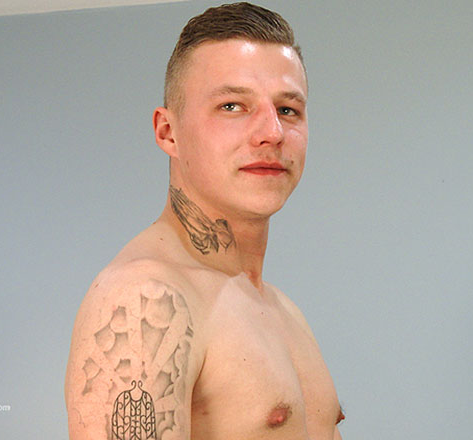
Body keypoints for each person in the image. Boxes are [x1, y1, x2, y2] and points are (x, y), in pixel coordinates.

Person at [65, 2, 344, 439]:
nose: (272, 132)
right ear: (168, 132)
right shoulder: (146, 300)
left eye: (288, 109)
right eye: (232, 106)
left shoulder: (282, 310)